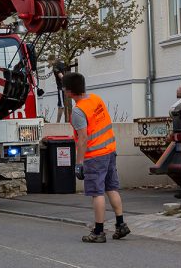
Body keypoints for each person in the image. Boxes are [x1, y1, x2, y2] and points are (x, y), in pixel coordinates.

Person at [62, 72, 130, 243]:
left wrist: (79, 163)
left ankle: (98, 231)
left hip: (94, 156)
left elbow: (83, 138)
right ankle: (121, 224)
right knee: (111, 188)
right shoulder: (95, 99)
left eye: (65, 89)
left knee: (97, 193)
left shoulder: (78, 112)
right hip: (110, 151)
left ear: (69, 92)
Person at [47, 55, 66, 123]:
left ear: (51, 60)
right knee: (61, 105)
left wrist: (65, 82)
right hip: (64, 87)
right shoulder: (62, 64)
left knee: (61, 105)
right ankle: (58, 122)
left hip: (61, 88)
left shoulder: (55, 67)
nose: (49, 63)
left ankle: (58, 122)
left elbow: (61, 76)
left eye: (49, 62)